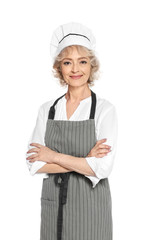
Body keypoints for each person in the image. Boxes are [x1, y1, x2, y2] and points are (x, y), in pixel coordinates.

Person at [26, 22, 118, 240]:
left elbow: (102, 168)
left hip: (91, 208)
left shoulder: (105, 110)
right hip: (53, 204)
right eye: (68, 62)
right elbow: (34, 163)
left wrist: (52, 156)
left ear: (91, 66)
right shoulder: (47, 110)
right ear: (59, 68)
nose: (76, 70)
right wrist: (85, 161)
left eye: (82, 62)